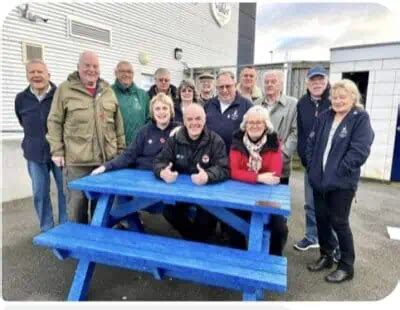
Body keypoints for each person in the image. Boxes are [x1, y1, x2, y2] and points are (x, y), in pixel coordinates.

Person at [305, 79, 374, 283]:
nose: (337, 100)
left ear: (353, 98)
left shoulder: (360, 117)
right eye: (334, 97)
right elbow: (311, 142)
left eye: (342, 97)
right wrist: (311, 167)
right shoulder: (325, 116)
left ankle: (346, 266)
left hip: (342, 183)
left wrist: (338, 171)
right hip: (319, 181)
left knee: (339, 223)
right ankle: (326, 256)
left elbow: (360, 150)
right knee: (322, 220)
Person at [47, 51, 125, 224]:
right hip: (77, 163)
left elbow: (118, 124)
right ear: (78, 67)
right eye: (87, 65)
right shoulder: (65, 90)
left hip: (105, 162)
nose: (91, 69)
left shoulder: (107, 91)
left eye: (95, 66)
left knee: (101, 208)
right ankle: (77, 247)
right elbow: (54, 121)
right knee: (77, 208)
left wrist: (121, 151)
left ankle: (97, 245)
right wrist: (57, 150)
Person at [153, 103, 229, 242]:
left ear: (205, 120)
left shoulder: (216, 140)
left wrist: (207, 175)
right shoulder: (174, 140)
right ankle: (195, 242)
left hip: (207, 192)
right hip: (181, 192)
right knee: (168, 211)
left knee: (207, 218)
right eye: (190, 119)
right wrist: (163, 172)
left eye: (198, 118)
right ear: (184, 121)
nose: (194, 123)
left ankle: (195, 244)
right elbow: (159, 161)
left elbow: (223, 168)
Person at [15, 59, 67, 232]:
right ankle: (47, 228)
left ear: (48, 75)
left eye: (40, 71)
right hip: (35, 154)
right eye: (32, 72)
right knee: (40, 193)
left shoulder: (60, 95)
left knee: (65, 191)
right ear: (27, 76)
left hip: (61, 153)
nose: (36, 75)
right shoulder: (21, 99)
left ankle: (66, 226)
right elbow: (23, 121)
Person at [229, 105, 288, 255]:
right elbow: (233, 171)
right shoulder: (236, 142)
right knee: (231, 222)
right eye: (251, 122)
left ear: (266, 125)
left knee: (279, 227)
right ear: (245, 125)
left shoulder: (274, 143)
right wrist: (258, 177)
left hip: (268, 195)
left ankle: (274, 258)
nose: (254, 126)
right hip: (240, 192)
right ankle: (240, 257)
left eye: (259, 122)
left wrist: (246, 175)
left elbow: (274, 175)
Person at [294, 65, 340, 254]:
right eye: (313, 80)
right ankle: (312, 236)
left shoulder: (334, 101)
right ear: (307, 83)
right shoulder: (302, 103)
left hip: (332, 166)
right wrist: (304, 156)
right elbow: (301, 132)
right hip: (310, 164)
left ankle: (335, 243)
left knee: (333, 206)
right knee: (310, 203)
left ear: (327, 81)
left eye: (321, 80)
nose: (317, 83)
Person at [91, 93, 179, 174]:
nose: (161, 112)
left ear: (171, 111)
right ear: (152, 112)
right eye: (157, 108)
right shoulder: (144, 131)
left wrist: (181, 130)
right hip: (143, 176)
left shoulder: (179, 130)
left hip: (169, 177)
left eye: (165, 108)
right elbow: (129, 155)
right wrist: (105, 167)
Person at [254, 70, 297, 185]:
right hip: (258, 165)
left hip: (281, 165)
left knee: (277, 201)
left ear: (281, 84)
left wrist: (282, 154)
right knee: (256, 200)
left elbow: (296, 133)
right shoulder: (256, 104)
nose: (269, 84)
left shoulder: (292, 105)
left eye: (273, 81)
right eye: (266, 82)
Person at [205, 70, 253, 152]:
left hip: (236, 157)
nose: (224, 90)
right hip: (212, 157)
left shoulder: (247, 106)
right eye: (221, 87)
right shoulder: (209, 105)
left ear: (235, 85)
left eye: (228, 86)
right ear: (216, 88)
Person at [112, 61, 150, 145]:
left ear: (133, 74)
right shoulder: (109, 93)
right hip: (117, 148)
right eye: (122, 71)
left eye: (129, 72)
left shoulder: (143, 95)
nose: (126, 74)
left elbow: (149, 120)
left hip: (139, 147)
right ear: (116, 73)